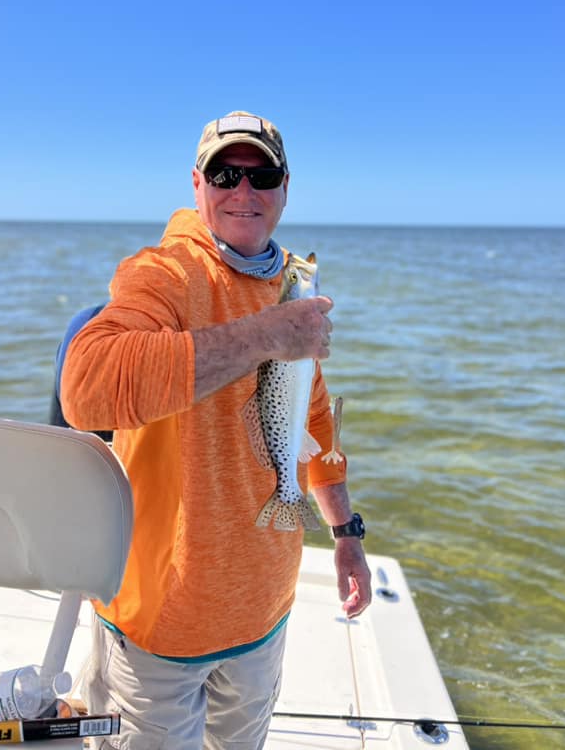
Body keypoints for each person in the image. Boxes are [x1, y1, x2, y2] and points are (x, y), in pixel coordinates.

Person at [61, 111, 372, 750]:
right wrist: (267, 335)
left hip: (264, 610)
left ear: (286, 188)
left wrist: (345, 533)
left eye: (263, 175)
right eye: (226, 173)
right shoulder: (164, 273)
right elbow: (86, 388)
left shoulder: (291, 286)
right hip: (160, 621)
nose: (244, 191)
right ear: (197, 184)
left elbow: (311, 417)